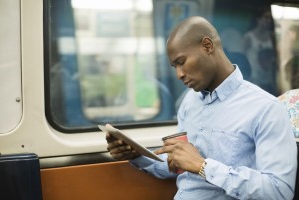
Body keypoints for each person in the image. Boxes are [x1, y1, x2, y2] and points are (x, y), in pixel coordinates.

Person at [105, 16, 297, 200]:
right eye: (175, 67)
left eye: (181, 62)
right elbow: (179, 166)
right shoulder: (190, 102)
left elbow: (279, 191)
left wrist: (203, 166)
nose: (179, 74)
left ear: (207, 46)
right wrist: (137, 155)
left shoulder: (266, 108)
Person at [243, 9, 278, 95]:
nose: (268, 20)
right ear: (258, 19)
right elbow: (242, 57)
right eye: (266, 17)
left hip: (267, 79)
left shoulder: (272, 37)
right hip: (253, 78)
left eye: (270, 18)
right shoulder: (249, 37)